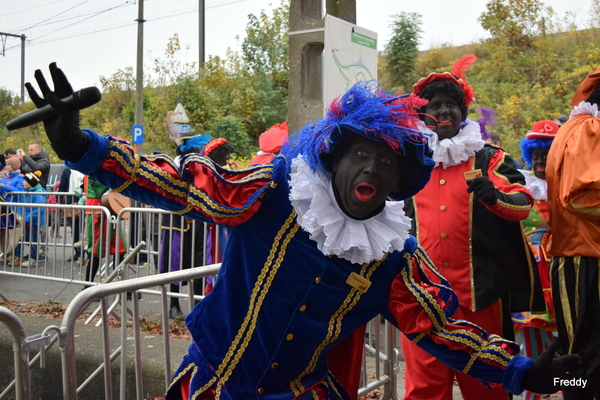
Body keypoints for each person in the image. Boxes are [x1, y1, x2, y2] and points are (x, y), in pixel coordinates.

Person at [23, 63, 581, 400]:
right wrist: (81, 148)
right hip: (212, 383)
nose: (372, 171)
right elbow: (180, 183)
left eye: (387, 166)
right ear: (337, 155)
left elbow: (442, 330)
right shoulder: (273, 191)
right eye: (363, 155)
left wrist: (527, 370)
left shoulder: (390, 257)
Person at [401, 55, 545, 400]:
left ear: (462, 112)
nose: (443, 111)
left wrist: (493, 196)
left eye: (451, 104)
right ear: (423, 115)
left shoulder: (489, 158)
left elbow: (523, 202)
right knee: (424, 388)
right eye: (434, 106)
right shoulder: (408, 161)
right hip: (422, 298)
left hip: (479, 296)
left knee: (488, 385)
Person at [546, 66, 600, 400]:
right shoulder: (589, 129)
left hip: (584, 258)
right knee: (581, 362)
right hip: (586, 262)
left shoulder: (580, 126)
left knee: (581, 356)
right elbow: (582, 196)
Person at [511, 120, 560, 400]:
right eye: (537, 154)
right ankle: (533, 396)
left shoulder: (568, 184)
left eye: (548, 153)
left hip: (560, 276)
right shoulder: (520, 186)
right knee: (532, 351)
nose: (541, 160)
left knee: (568, 350)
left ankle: (574, 389)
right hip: (529, 278)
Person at [160, 130, 211, 320]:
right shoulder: (174, 165)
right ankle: (174, 305)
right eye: (197, 146)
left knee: (200, 264)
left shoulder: (202, 165)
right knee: (174, 264)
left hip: (198, 221)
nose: (200, 149)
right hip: (176, 222)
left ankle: (198, 305)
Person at [13, 171, 46, 267]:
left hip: (34, 222)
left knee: (33, 240)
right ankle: (36, 252)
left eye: (25, 181)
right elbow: (21, 207)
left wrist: (26, 218)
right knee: (27, 238)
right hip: (26, 221)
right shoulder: (26, 192)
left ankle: (33, 259)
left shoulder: (37, 194)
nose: (23, 182)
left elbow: (38, 210)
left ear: (30, 183)